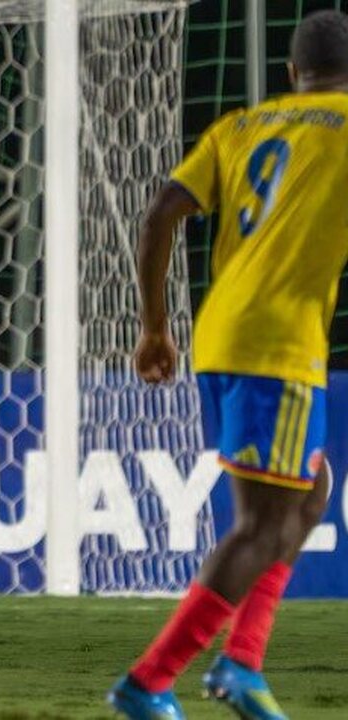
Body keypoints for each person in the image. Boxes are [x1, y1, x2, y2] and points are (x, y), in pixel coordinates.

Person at [108, 10, 348, 719]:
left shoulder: (240, 126)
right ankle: (150, 681)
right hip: (279, 342)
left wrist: (155, 328)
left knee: (308, 489)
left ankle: (243, 663)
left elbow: (160, 213)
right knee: (261, 524)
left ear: (292, 73)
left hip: (219, 333)